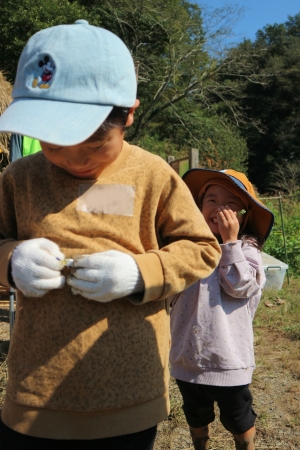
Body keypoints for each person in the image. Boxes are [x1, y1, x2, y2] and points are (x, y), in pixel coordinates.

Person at [0, 20, 221, 450]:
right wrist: (10, 260)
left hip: (129, 395)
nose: (71, 158)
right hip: (35, 395)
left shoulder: (153, 173)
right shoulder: (17, 178)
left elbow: (202, 248)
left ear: (129, 115)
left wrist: (141, 273)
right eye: (52, 142)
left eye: (92, 144)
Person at [169, 169, 274, 450]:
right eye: (211, 200)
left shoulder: (247, 251)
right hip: (187, 357)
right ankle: (200, 444)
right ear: (198, 208)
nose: (219, 209)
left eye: (231, 204)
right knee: (195, 412)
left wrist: (230, 243)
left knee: (238, 418)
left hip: (228, 359)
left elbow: (240, 286)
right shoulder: (187, 246)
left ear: (245, 215)